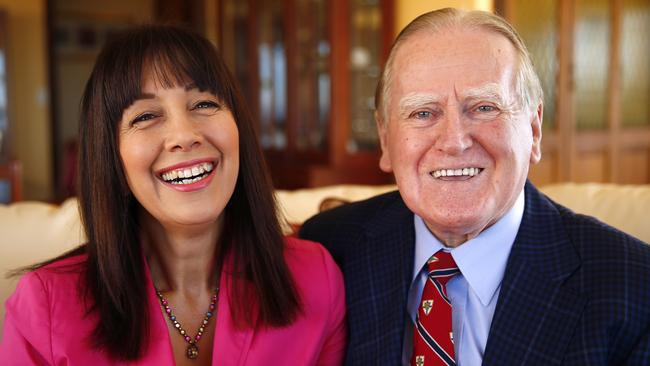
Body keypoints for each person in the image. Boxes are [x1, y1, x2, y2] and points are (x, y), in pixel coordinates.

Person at [300, 8, 650, 366]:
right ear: (386, 140)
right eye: (423, 113)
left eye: (484, 107)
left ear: (533, 130)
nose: (454, 141)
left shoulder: (634, 286)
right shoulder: (331, 249)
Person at [0, 25, 346, 365]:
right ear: (111, 155)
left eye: (203, 104)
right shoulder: (45, 306)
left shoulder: (317, 278)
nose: (184, 134)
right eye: (146, 115)